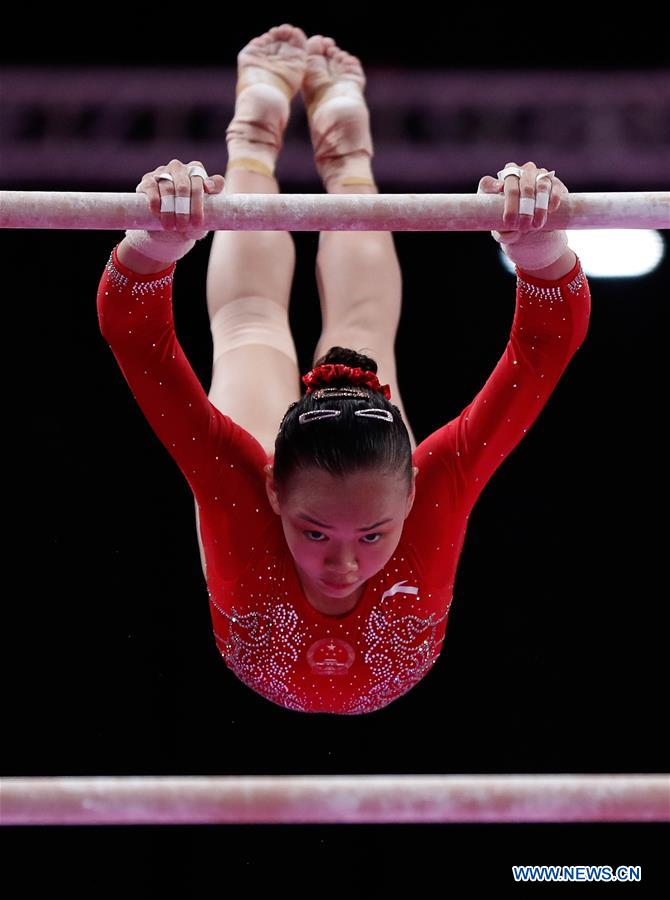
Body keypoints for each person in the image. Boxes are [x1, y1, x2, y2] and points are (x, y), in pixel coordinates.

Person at [97, 24, 591, 715]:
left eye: (372, 533)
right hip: (327, 480)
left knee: (250, 322)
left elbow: (135, 334)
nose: (345, 565)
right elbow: (545, 347)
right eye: (315, 531)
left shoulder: (241, 479)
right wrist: (544, 259)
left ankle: (255, 142)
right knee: (347, 331)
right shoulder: (426, 483)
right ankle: (345, 154)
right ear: (274, 491)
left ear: (409, 498)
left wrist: (154, 249)